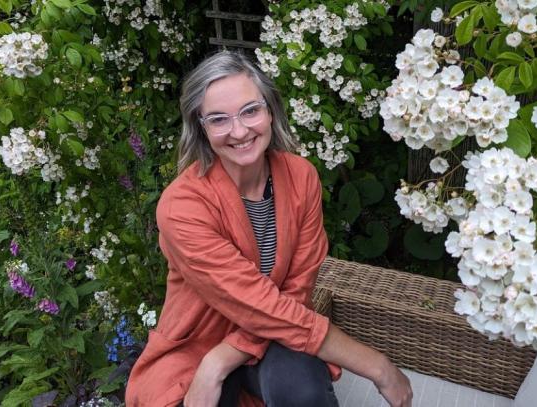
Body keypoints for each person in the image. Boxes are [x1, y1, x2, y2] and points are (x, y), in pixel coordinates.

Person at [125, 50, 412, 407]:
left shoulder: (301, 177)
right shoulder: (182, 207)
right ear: (200, 126)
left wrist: (221, 360)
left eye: (250, 110)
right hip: (197, 342)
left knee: (303, 391)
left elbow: (294, 293)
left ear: (270, 109)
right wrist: (379, 366)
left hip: (276, 332)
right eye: (218, 119)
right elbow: (257, 304)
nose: (240, 131)